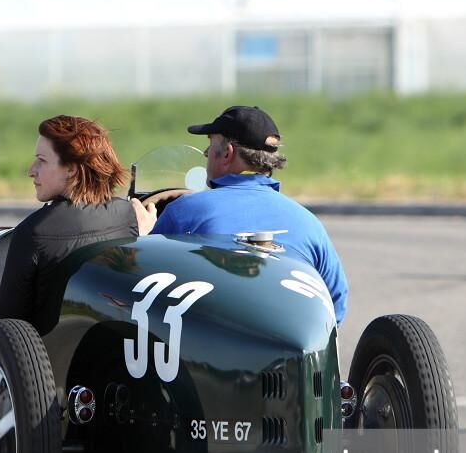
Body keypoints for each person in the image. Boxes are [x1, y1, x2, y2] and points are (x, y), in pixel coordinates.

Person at [130, 105, 348, 324]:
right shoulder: (309, 222)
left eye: (210, 143)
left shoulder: (184, 210)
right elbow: (335, 303)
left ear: (227, 152)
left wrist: (143, 237)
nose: (206, 153)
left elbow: (140, 280)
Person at [0, 115, 138, 332]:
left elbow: (7, 328)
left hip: (50, 360)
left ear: (71, 168)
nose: (31, 171)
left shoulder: (33, 231)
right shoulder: (126, 213)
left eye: (42, 161)